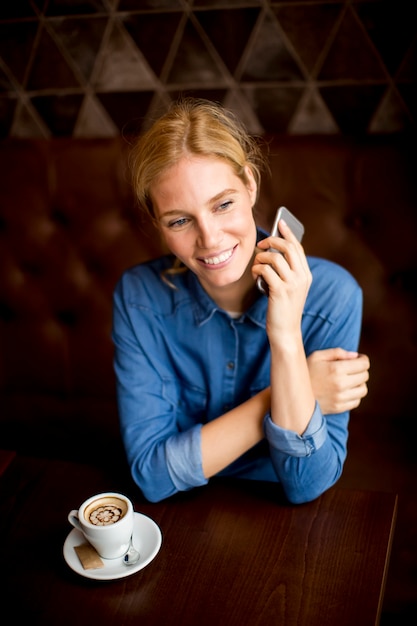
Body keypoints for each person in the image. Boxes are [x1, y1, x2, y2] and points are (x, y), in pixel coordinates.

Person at [112, 98, 370, 504]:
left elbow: (307, 485)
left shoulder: (333, 297)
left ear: (250, 185)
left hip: (279, 517)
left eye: (223, 204)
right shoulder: (140, 297)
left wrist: (284, 332)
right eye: (179, 220)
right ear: (158, 224)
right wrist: (296, 390)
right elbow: (152, 476)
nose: (210, 238)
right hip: (183, 515)